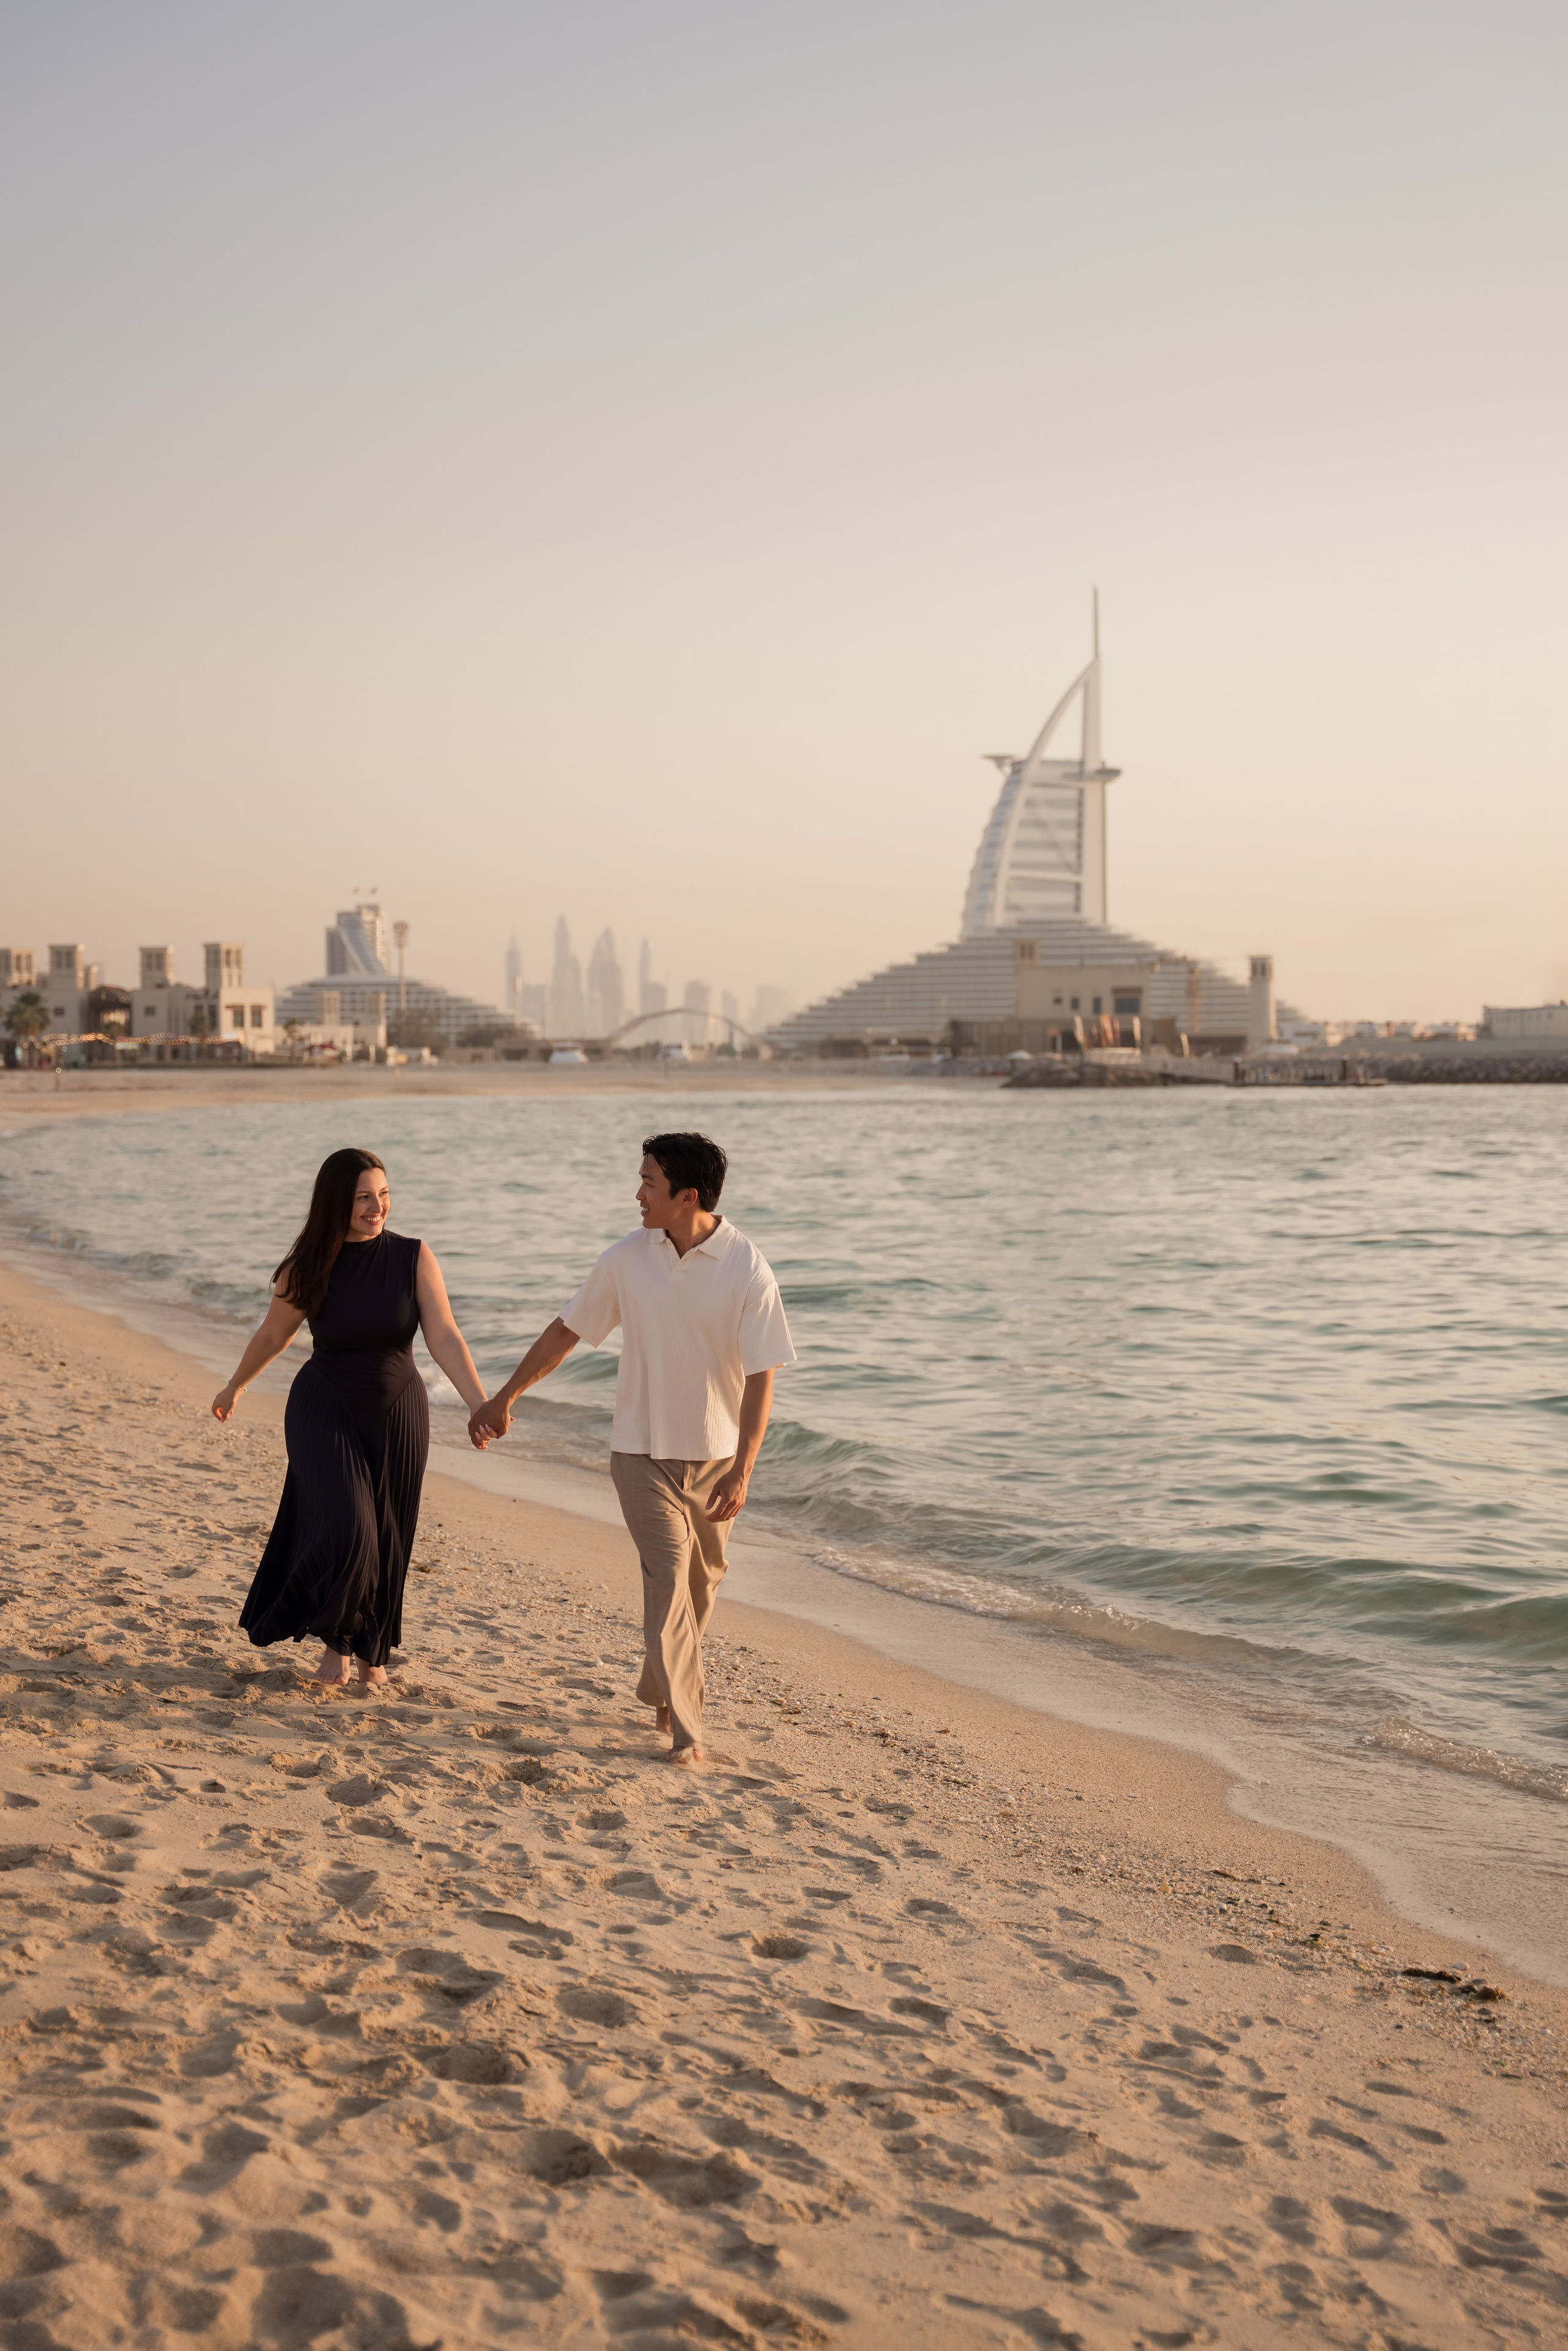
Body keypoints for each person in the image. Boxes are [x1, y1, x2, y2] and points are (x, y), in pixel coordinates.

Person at [469, 1131, 794, 1765]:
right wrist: (505, 1397)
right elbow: (569, 1329)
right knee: (671, 1578)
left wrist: (743, 1470)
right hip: (639, 1455)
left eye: (648, 1182)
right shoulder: (625, 1259)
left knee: (699, 1590)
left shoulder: (746, 1265)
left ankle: (660, 1685)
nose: (637, 1193)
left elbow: (763, 1374)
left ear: (687, 1195)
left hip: (715, 1461)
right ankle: (688, 1731)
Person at [214, 1148, 489, 1688]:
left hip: (399, 1409)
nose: (377, 1207)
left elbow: (444, 1335)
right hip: (324, 1405)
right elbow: (274, 1335)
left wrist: (479, 1402)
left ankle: (371, 1656)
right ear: (337, 1200)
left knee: (390, 1532)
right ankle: (335, 1646)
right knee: (350, 1524)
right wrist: (235, 1385)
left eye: (383, 1194)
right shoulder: (308, 1266)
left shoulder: (414, 1256)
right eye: (364, 1196)